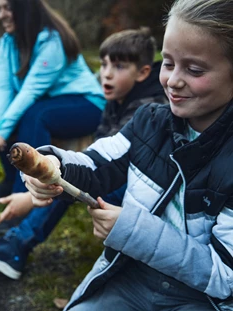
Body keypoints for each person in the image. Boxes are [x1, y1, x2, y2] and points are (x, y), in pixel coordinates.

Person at [17, 0, 233, 309]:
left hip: (200, 299)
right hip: (128, 274)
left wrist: (133, 231)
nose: (172, 81)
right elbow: (96, 163)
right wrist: (53, 166)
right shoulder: (148, 122)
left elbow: (225, 275)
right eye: (168, 63)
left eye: (195, 69)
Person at [0, 27, 168, 280]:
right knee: (70, 175)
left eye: (118, 67)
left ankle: (15, 247)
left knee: (67, 184)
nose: (106, 74)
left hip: (143, 197)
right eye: (104, 65)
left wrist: (31, 199)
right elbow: (101, 151)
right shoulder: (117, 101)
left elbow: (116, 168)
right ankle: (17, 242)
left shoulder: (148, 110)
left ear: (143, 72)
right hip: (118, 180)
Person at [0, 0, 106, 205]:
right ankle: (12, 178)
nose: (1, 15)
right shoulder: (7, 43)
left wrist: (1, 131)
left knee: (35, 115)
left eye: (8, 8)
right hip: (51, 103)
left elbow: (31, 90)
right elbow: (3, 87)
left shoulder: (52, 41)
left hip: (87, 105)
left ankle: (25, 195)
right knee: (19, 117)